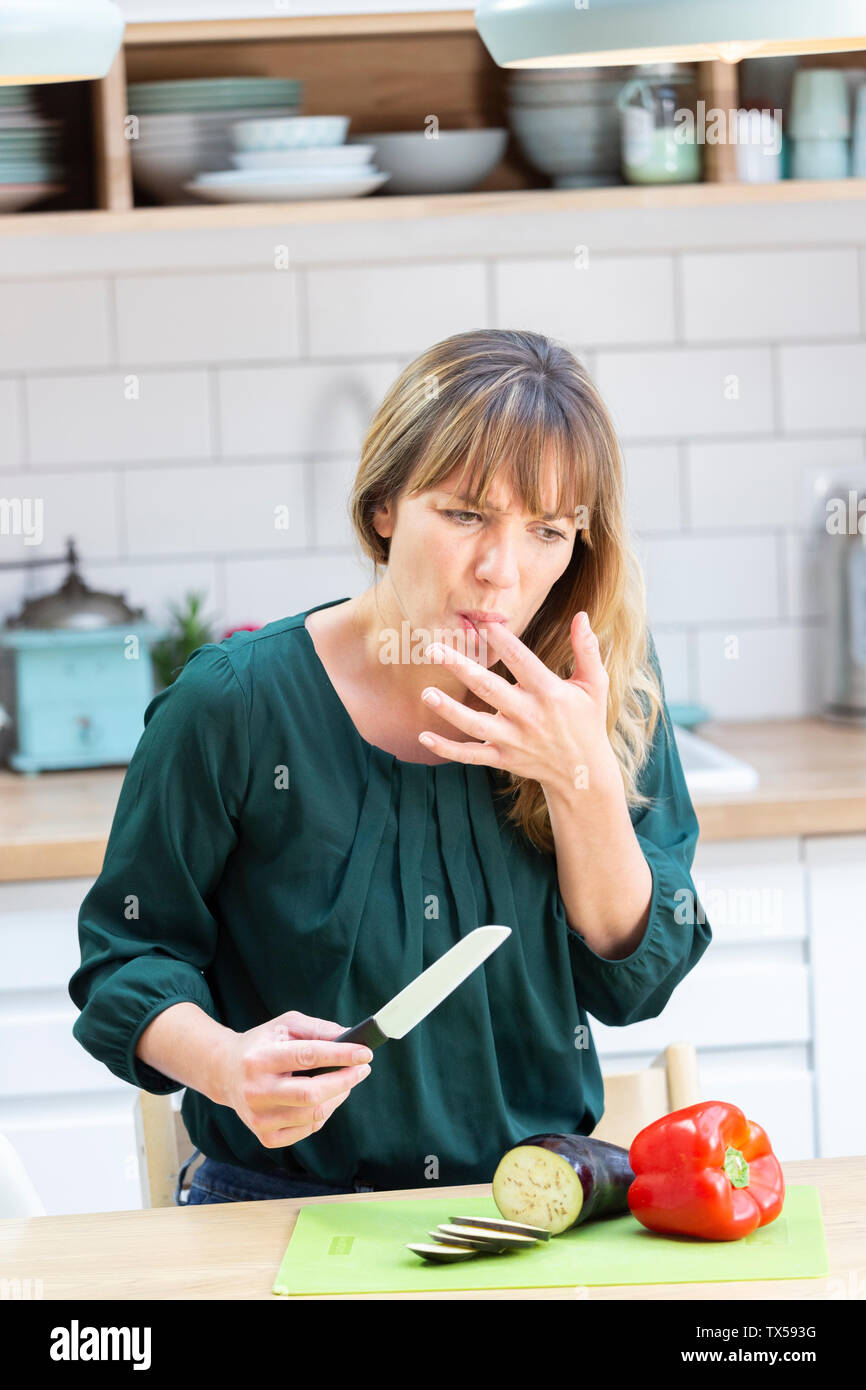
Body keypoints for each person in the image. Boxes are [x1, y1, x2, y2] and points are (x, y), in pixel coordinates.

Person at [68, 328, 711, 1207]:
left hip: (537, 1208)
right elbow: (127, 960)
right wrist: (225, 1063)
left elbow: (636, 983)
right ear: (384, 507)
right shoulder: (236, 705)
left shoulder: (603, 695)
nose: (500, 571)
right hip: (276, 1209)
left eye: (548, 531)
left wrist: (580, 779)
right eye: (464, 514)